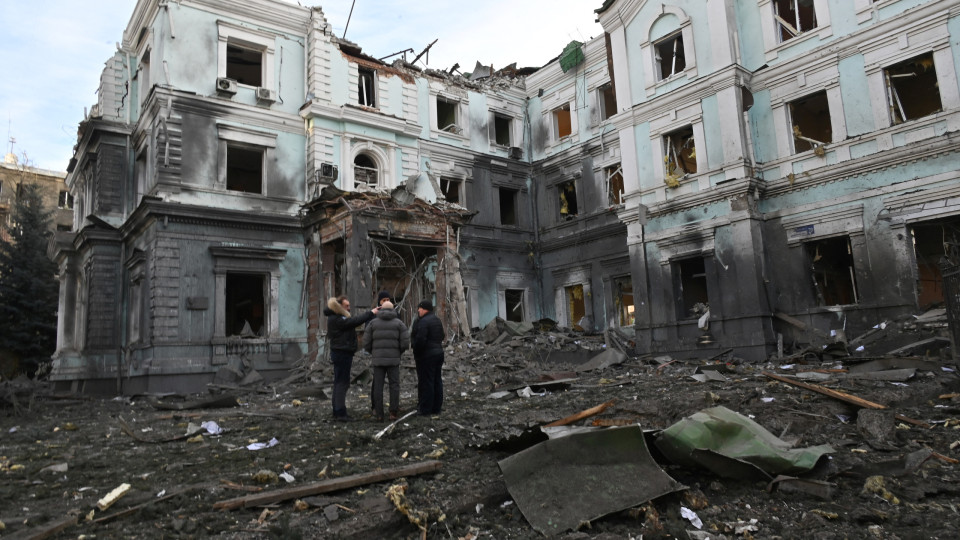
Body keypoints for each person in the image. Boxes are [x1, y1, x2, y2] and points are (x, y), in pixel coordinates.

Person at [324, 295, 378, 421]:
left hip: (342, 352)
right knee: (342, 383)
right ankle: (340, 413)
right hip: (342, 353)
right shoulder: (337, 319)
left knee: (339, 382)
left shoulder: (335, 317)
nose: (349, 308)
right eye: (346, 306)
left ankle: (337, 411)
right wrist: (371, 312)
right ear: (339, 307)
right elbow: (353, 322)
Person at [363, 301, 409, 421]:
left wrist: (374, 353)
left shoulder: (372, 323)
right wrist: (398, 352)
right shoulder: (399, 323)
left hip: (378, 360)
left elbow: (366, 342)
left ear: (381, 309)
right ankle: (393, 412)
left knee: (378, 386)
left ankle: (379, 414)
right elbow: (405, 342)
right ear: (393, 310)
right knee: (394, 385)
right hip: (393, 360)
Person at [411, 300, 445, 416]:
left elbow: (420, 340)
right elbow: (442, 335)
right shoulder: (437, 320)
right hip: (439, 353)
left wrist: (415, 350)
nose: (418, 311)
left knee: (427, 382)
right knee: (437, 380)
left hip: (427, 355)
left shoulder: (423, 322)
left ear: (424, 309)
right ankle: (437, 407)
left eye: (419, 308)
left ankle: (426, 409)